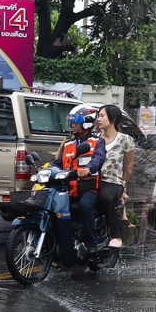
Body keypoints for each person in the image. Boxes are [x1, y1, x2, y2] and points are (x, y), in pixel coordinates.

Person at [59, 105, 105, 248]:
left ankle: (91, 245)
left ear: (86, 123)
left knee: (85, 206)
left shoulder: (97, 142)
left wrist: (88, 169)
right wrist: (47, 170)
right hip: (69, 189)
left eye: (76, 122)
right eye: (71, 122)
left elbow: (98, 158)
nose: (72, 125)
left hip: (88, 189)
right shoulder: (68, 143)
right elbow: (57, 162)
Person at [94, 104, 136, 248]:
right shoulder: (93, 138)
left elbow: (129, 166)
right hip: (92, 180)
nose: (98, 119)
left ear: (113, 119)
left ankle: (116, 235)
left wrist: (124, 187)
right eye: (98, 116)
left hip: (113, 182)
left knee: (105, 198)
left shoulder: (125, 139)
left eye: (102, 116)